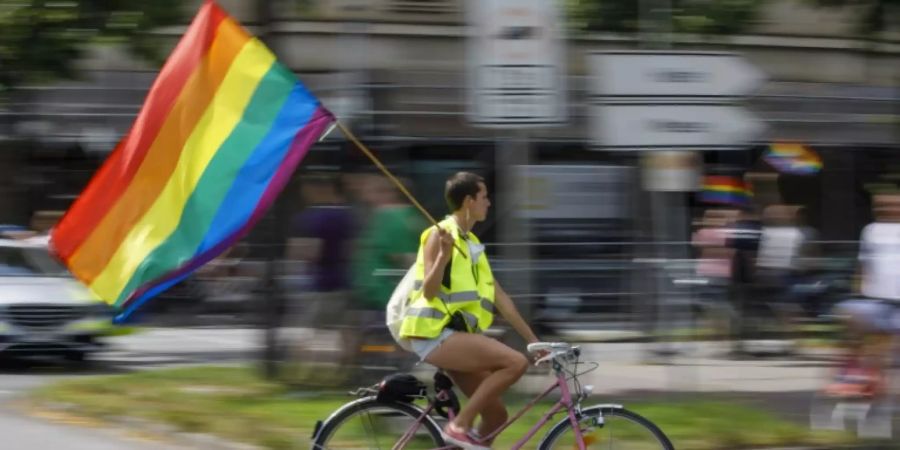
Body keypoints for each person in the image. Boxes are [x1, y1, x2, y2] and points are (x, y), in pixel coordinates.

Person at [399, 172, 540, 449]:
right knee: (515, 362)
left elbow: (501, 298)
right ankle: (459, 425)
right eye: (484, 197)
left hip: (455, 338)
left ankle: (460, 436)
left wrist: (534, 341)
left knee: (497, 416)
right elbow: (428, 291)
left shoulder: (472, 245)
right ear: (468, 201)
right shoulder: (438, 235)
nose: (488, 203)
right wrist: (443, 257)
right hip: (433, 334)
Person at [825, 193, 900, 398]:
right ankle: (859, 378)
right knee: (855, 326)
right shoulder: (871, 230)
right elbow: (864, 262)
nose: (886, 209)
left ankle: (872, 380)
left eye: (892, 205)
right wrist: (858, 287)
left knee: (884, 341)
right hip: (875, 297)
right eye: (882, 205)